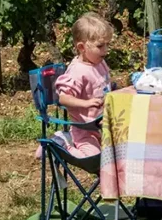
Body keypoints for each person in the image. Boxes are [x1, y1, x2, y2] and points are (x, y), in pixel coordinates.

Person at [44, 12, 113, 158]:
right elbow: (63, 98)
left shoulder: (99, 62)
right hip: (84, 130)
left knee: (120, 154)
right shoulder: (78, 71)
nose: (105, 51)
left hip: (105, 125)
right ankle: (61, 143)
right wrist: (85, 103)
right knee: (95, 159)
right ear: (82, 47)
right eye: (100, 46)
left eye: (107, 44)